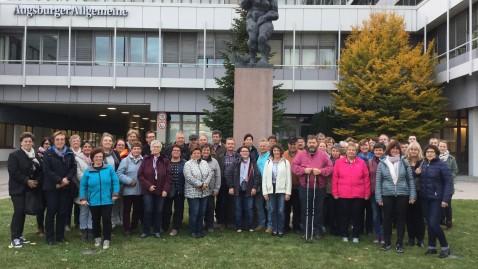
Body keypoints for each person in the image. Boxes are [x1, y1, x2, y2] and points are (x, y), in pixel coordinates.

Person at [375, 140, 416, 253]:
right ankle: (387, 242)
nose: (395, 150)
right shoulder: (382, 163)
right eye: (393, 148)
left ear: (400, 150)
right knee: (387, 219)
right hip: (387, 194)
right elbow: (378, 182)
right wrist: (378, 197)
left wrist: (412, 195)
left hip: (402, 194)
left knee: (401, 220)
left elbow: (410, 180)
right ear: (389, 150)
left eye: (397, 149)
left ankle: (399, 243)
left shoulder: (404, 162)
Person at [292, 135, 334, 240]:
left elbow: (330, 168)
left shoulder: (323, 155)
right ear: (307, 143)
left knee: (318, 210)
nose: (311, 144)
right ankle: (306, 230)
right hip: (304, 187)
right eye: (310, 142)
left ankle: (317, 231)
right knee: (305, 209)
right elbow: (294, 166)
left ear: (317, 144)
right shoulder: (301, 155)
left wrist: (321, 171)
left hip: (319, 187)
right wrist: (303, 171)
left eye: (313, 142)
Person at [79, 147, 120, 250]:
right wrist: (83, 198)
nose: (98, 158)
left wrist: (115, 193)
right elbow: (83, 185)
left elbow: (115, 181)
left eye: (100, 156)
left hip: (107, 200)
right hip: (93, 200)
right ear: (92, 158)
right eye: (96, 156)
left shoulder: (109, 168)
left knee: (107, 220)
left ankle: (107, 239)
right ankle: (97, 237)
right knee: (95, 220)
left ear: (103, 157)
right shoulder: (88, 171)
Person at [42, 130, 77, 245]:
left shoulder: (69, 153)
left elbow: (73, 168)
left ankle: (60, 236)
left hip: (65, 187)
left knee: (62, 212)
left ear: (65, 140)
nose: (60, 141)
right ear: (53, 141)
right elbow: (47, 170)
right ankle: (50, 237)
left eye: (62, 139)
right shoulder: (48, 153)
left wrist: (67, 179)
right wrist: (60, 180)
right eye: (57, 139)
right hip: (52, 187)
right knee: (51, 211)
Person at [8, 132, 42, 248]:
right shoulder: (15, 155)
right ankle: (14, 238)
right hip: (17, 189)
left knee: (23, 212)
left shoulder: (35, 156)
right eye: (25, 141)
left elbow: (39, 170)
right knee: (19, 211)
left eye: (30, 141)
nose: (28, 143)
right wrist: (27, 180)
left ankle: (20, 234)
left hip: (30, 189)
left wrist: (36, 180)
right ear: (21, 142)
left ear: (33, 142)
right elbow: (13, 172)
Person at [332, 142, 370, 243]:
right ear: (346, 151)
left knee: (357, 216)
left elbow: (366, 178)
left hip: (358, 194)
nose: (351, 151)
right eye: (349, 149)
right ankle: (344, 234)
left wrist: (367, 193)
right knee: (344, 216)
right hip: (343, 194)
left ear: (356, 151)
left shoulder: (361, 162)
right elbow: (335, 178)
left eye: (353, 150)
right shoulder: (339, 162)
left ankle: (356, 235)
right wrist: (334, 192)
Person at [420, 144, 453, 258]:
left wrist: (445, 199)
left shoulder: (442, 165)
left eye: (432, 152)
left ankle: (445, 247)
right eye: (427, 152)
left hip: (437, 199)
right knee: (429, 223)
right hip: (425, 198)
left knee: (434, 223)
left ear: (436, 153)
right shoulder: (424, 164)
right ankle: (432, 247)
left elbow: (449, 183)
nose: (429, 153)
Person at [137, 140, 171, 239]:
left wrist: (165, 189)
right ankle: (146, 231)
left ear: (160, 148)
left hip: (161, 191)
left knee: (159, 211)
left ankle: (156, 230)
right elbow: (140, 175)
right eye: (154, 147)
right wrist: (148, 185)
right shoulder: (146, 159)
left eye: (158, 147)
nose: (156, 148)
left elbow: (169, 177)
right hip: (148, 191)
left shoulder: (165, 160)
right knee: (148, 210)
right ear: (151, 148)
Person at [228, 146, 262, 233]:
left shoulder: (253, 163)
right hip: (237, 189)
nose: (244, 153)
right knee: (238, 208)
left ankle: (250, 226)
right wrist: (231, 186)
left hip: (249, 189)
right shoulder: (235, 162)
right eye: (242, 151)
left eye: (246, 151)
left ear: (249, 152)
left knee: (249, 208)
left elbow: (257, 176)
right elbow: (229, 174)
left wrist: (254, 187)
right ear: (240, 153)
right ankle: (238, 227)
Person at [262, 145, 291, 237]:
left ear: (281, 151)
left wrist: (288, 192)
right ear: (272, 152)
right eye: (275, 150)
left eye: (278, 150)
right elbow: (265, 178)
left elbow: (288, 178)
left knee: (281, 210)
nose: (276, 152)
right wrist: (265, 192)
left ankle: (280, 229)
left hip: (281, 189)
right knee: (273, 210)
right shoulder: (268, 162)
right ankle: (274, 229)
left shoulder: (286, 163)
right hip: (271, 189)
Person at [184, 146, 213, 238]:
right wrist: (200, 185)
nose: (196, 155)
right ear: (191, 154)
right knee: (194, 212)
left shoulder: (205, 163)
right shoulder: (188, 164)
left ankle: (199, 230)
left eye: (198, 153)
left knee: (202, 212)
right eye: (194, 153)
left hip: (204, 192)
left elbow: (210, 174)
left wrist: (205, 184)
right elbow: (188, 177)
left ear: (201, 154)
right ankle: (193, 230)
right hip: (193, 193)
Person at [117, 141, 143, 237]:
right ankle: (127, 229)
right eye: (134, 148)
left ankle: (134, 227)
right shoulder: (125, 161)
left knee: (137, 210)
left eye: (138, 148)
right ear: (131, 150)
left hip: (140, 190)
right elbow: (119, 174)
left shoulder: (143, 160)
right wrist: (129, 181)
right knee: (127, 210)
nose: (136, 150)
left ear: (141, 150)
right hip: (128, 190)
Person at [241, 0, 279, 65]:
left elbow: (275, 14)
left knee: (262, 37)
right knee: (252, 39)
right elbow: (244, 6)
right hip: (252, 19)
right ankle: (252, 58)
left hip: (265, 20)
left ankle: (264, 58)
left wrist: (265, 17)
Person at [405, 141, 426, 247]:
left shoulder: (423, 162)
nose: (413, 151)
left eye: (416, 149)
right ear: (408, 150)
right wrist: (415, 173)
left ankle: (420, 239)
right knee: (409, 216)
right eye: (412, 149)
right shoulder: (404, 162)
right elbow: (404, 177)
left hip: (420, 192)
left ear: (419, 151)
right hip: (407, 192)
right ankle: (411, 238)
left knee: (419, 217)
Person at [162, 145, 186, 236]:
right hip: (168, 190)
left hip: (180, 190)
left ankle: (176, 227)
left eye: (178, 150)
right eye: (174, 150)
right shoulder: (166, 162)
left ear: (180, 152)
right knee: (167, 210)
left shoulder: (184, 163)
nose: (176, 152)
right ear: (171, 152)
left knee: (178, 210)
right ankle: (164, 226)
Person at [101, 133, 122, 229]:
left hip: (113, 182)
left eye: (110, 140)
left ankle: (112, 223)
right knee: (103, 204)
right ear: (102, 141)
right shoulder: (98, 152)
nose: (108, 142)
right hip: (101, 183)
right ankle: (103, 223)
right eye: (106, 140)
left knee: (114, 203)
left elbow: (119, 168)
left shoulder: (116, 153)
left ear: (112, 143)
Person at [216, 137, 237, 229]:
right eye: (229, 144)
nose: (230, 145)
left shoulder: (238, 156)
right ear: (226, 145)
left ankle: (231, 221)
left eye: (232, 144)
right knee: (222, 202)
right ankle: (222, 222)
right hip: (223, 182)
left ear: (234, 145)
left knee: (233, 203)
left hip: (235, 182)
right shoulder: (221, 157)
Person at [75, 140, 94, 240]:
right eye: (85, 146)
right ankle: (83, 230)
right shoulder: (77, 159)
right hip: (82, 188)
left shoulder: (95, 158)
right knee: (84, 210)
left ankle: (91, 229)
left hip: (94, 189)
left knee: (92, 210)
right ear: (82, 148)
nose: (87, 148)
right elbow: (78, 174)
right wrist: (91, 179)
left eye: (89, 146)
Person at [367, 142, 386, 244]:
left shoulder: (387, 161)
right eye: (376, 150)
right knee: (375, 215)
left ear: (384, 151)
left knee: (384, 215)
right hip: (373, 192)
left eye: (380, 150)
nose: (378, 152)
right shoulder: (370, 162)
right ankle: (377, 234)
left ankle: (383, 235)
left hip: (385, 193)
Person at [283, 136, 302, 233]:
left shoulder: (302, 154)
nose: (293, 146)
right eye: (291, 144)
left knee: (297, 208)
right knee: (286, 208)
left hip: (298, 186)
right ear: (288, 144)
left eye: (294, 144)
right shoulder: (284, 154)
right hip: (286, 187)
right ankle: (286, 226)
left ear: (297, 144)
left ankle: (296, 226)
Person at [201, 143, 221, 233]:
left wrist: (216, 189)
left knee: (210, 208)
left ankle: (210, 225)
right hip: (199, 190)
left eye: (207, 150)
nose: (206, 151)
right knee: (200, 208)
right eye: (204, 150)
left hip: (210, 190)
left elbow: (218, 176)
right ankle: (200, 224)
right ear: (201, 151)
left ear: (210, 151)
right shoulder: (196, 160)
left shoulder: (214, 162)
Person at [438, 140, 458, 229]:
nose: (442, 148)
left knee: (447, 204)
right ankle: (441, 219)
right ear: (438, 147)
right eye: (440, 146)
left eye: (444, 147)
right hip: (438, 185)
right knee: (438, 203)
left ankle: (449, 221)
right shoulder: (435, 157)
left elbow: (455, 171)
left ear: (447, 148)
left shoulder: (451, 158)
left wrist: (448, 178)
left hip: (448, 185)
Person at [65, 134, 81, 232]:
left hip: (80, 182)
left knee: (79, 203)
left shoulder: (83, 152)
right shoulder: (67, 152)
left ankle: (78, 222)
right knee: (68, 203)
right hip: (70, 181)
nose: (76, 142)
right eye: (74, 141)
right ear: (70, 143)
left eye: (77, 141)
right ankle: (67, 223)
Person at [36, 137, 51, 237]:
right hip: (40, 186)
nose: (47, 145)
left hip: (50, 185)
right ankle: (40, 228)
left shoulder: (54, 155)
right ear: (42, 145)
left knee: (51, 208)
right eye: (46, 144)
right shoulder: (37, 156)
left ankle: (49, 227)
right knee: (41, 209)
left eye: (49, 144)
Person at [255, 138, 270, 232]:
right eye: (260, 146)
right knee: (259, 205)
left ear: (268, 147)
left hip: (268, 185)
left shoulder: (270, 156)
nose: (262, 147)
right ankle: (262, 223)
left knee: (268, 206)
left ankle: (270, 225)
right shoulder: (259, 156)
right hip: (259, 184)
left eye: (264, 146)